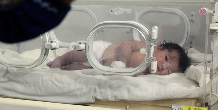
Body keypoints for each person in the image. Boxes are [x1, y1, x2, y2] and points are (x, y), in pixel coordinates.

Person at [47, 40, 191, 75]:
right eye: (166, 59)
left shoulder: (146, 73)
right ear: (159, 47)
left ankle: (62, 69)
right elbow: (125, 45)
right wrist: (121, 60)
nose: (164, 66)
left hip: (102, 69)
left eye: (169, 71)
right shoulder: (145, 47)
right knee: (77, 55)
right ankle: (61, 59)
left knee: (78, 69)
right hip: (102, 52)